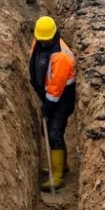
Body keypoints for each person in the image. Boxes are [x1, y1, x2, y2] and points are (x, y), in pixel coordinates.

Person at [28, 16, 77, 191]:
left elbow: (56, 89)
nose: (41, 42)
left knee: (54, 132)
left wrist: (46, 108)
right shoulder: (39, 43)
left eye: (44, 40)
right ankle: (60, 165)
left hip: (62, 98)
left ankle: (57, 176)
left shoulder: (61, 56)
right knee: (48, 130)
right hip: (49, 95)